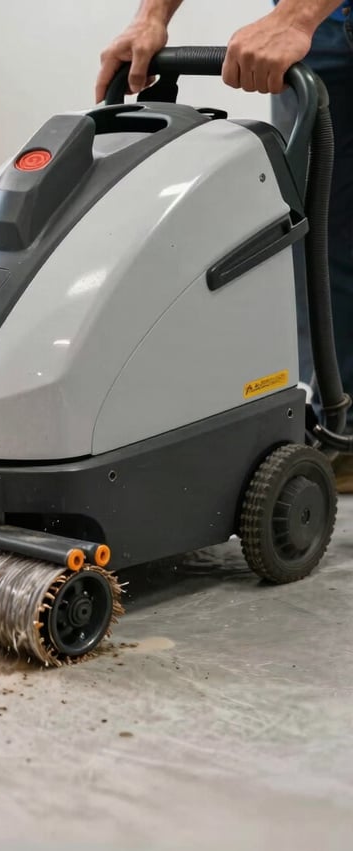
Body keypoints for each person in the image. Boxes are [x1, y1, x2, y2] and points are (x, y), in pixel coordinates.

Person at [96, 1, 353, 491]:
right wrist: (151, 18)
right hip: (322, 29)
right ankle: (340, 422)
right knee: (317, 228)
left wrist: (295, 17)